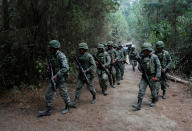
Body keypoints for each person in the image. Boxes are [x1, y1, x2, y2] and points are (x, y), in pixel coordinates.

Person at [38, 40, 71, 116]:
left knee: (64, 93)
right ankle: (48, 109)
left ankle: (67, 106)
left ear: (55, 48)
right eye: (50, 48)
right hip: (54, 78)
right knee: (48, 93)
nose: (50, 49)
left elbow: (66, 68)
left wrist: (57, 75)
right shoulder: (51, 55)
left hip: (61, 78)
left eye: (51, 48)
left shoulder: (61, 55)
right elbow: (51, 66)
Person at [132, 43, 161, 110]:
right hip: (144, 76)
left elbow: (158, 67)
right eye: (143, 50)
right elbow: (139, 65)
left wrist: (157, 77)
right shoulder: (142, 57)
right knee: (141, 89)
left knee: (153, 90)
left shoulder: (154, 57)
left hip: (152, 76)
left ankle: (153, 100)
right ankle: (139, 104)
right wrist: (139, 67)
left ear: (149, 50)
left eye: (145, 50)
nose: (144, 52)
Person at [71, 42, 96, 107]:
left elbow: (93, 65)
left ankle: (94, 97)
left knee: (90, 88)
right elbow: (76, 64)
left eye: (82, 49)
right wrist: (77, 67)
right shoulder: (78, 56)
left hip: (88, 75)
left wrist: (86, 70)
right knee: (78, 87)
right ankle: (76, 101)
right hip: (81, 75)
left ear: (85, 49)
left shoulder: (89, 56)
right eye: (80, 49)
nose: (80, 50)